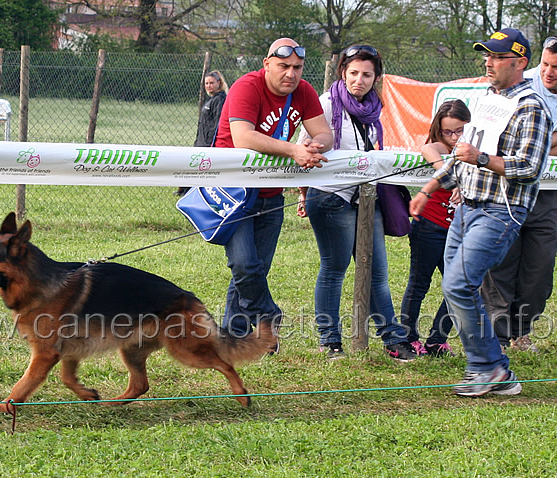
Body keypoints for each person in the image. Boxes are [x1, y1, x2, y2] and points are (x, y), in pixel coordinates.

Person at [411, 28, 551, 396]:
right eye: (486, 55)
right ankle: (488, 368)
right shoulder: (490, 99)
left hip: (500, 210)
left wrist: (483, 158)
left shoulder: (531, 107)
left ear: (520, 63)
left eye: (496, 57)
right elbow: (462, 158)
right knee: (455, 285)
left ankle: (492, 368)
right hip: (466, 208)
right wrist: (428, 189)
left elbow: (530, 167)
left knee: (459, 283)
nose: (487, 62)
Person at [296, 44, 417, 361]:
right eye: (353, 73)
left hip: (368, 197)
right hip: (331, 197)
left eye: (366, 74)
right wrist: (302, 193)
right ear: (342, 73)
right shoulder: (324, 104)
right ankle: (330, 340)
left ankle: (392, 339)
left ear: (376, 78)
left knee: (377, 272)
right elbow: (303, 149)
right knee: (334, 269)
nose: (359, 80)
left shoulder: (375, 107)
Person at [214, 38, 333, 339]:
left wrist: (313, 145)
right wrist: (294, 150)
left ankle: (233, 336)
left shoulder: (303, 91)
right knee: (244, 265)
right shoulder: (247, 86)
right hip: (234, 193)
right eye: (283, 66)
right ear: (267, 64)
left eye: (297, 67)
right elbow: (244, 137)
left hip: (271, 195)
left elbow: (325, 134)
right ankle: (269, 315)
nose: (290, 74)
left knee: (254, 271)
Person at [481, 36, 557, 352]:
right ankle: (498, 337)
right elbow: (520, 148)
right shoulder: (521, 90)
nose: (549, 73)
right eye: (547, 65)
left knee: (539, 272)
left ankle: (521, 330)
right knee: (501, 266)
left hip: (550, 195)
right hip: (509, 191)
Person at [400, 100, 470, 357]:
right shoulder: (436, 147)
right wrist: (453, 183)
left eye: (459, 130)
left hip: (461, 229)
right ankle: (408, 337)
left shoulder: (476, 149)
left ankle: (437, 339)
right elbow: (431, 153)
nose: (453, 137)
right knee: (419, 283)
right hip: (429, 225)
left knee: (459, 285)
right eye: (447, 132)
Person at [175, 70, 230, 197]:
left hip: (208, 143)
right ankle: (184, 189)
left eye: (211, 83)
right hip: (201, 141)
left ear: (219, 83)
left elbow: (218, 123)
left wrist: (211, 142)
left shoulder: (220, 100)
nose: (209, 86)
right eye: (206, 83)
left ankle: (189, 190)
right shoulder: (211, 99)